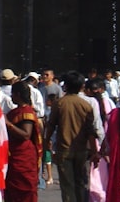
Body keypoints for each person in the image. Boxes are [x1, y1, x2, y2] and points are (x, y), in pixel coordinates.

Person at [44, 72, 96, 202]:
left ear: (65, 86)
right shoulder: (86, 105)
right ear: (81, 87)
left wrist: (46, 142)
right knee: (80, 183)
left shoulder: (59, 103)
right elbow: (91, 131)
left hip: (64, 149)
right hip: (82, 150)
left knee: (67, 186)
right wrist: (94, 151)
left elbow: (51, 126)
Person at [4, 81, 41, 202]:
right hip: (14, 156)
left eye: (12, 94)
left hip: (24, 158)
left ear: (18, 94)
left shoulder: (26, 112)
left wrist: (8, 124)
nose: (11, 97)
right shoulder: (15, 111)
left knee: (25, 192)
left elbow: (26, 134)